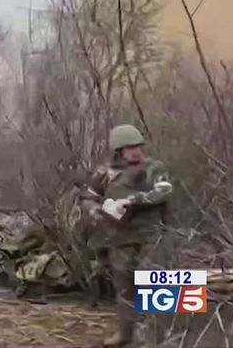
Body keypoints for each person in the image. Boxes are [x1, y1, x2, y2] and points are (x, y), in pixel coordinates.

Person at [79, 124, 173, 347]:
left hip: (151, 235)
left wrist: (133, 200)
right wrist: (97, 211)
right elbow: (88, 198)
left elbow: (164, 190)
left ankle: (158, 337)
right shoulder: (105, 173)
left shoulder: (153, 167)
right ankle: (125, 334)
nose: (135, 151)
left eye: (138, 147)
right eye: (130, 148)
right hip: (120, 238)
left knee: (156, 283)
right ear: (119, 151)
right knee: (124, 287)